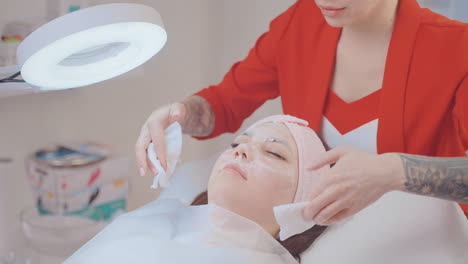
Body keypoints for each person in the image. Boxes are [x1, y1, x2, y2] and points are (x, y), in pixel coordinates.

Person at [135, 0, 468, 226]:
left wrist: (393, 171)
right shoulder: (299, 24)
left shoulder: (456, 49)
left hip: (425, 239)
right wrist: (178, 113)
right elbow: (222, 104)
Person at [66, 115, 329, 264]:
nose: (241, 149)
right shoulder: (152, 222)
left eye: (274, 153)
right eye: (237, 142)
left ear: (301, 207)